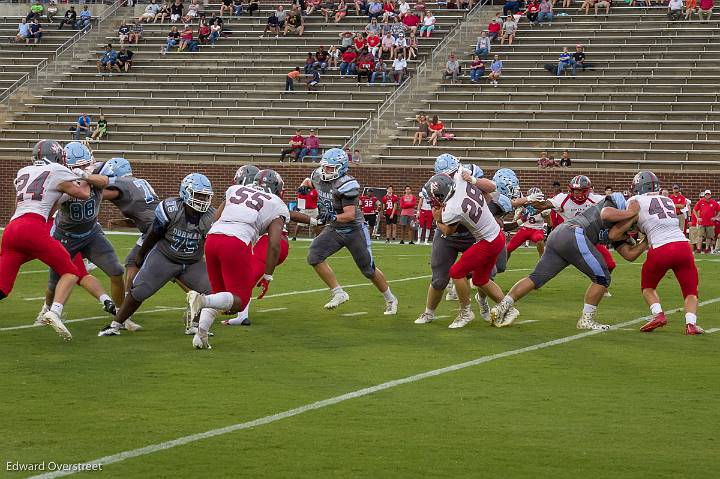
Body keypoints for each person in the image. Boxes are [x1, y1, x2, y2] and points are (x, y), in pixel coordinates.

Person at [98, 174, 215, 337]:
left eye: (205, 196)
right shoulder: (170, 208)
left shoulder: (211, 216)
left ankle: (195, 325)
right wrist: (141, 255)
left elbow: (211, 244)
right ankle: (115, 324)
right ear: (185, 192)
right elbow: (154, 233)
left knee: (211, 291)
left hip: (192, 262)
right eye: (198, 195)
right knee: (139, 291)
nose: (202, 200)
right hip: (165, 257)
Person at [0, 141, 92, 340]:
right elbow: (83, 194)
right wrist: (86, 175)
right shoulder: (57, 169)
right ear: (57, 156)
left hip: (11, 229)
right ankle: (54, 311)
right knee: (71, 272)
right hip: (33, 227)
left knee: (2, 287)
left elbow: (43, 197)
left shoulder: (23, 171)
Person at [186, 170, 289, 349]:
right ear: (278, 189)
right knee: (239, 301)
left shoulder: (236, 189)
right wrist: (268, 276)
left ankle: (200, 336)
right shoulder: (276, 203)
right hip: (235, 242)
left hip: (212, 239)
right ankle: (200, 301)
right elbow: (274, 244)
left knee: (219, 296)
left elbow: (216, 217)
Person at [38, 142, 125, 329]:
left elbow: (105, 181)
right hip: (65, 236)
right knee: (54, 283)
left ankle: (121, 313)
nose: (83, 168)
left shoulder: (96, 173)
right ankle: (46, 308)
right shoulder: (60, 179)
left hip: (92, 234)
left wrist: (85, 175)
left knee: (117, 270)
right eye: (78, 166)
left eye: (86, 164)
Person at [606, 172, 703, 335]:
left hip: (660, 247)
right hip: (683, 246)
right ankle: (691, 324)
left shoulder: (634, 201)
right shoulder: (668, 200)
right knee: (691, 290)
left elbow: (630, 220)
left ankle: (658, 314)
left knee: (648, 287)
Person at [307, 149, 398, 314]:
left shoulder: (347, 184)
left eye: (330, 168)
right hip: (335, 229)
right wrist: (304, 189)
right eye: (325, 167)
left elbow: (349, 215)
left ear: (341, 168)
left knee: (368, 270)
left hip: (354, 230)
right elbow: (309, 181)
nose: (326, 171)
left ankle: (390, 298)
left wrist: (332, 217)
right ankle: (338, 293)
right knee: (314, 255)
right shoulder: (317, 175)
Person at [420, 168, 508, 329]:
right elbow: (491, 187)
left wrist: (436, 218)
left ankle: (469, 311)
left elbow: (447, 230)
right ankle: (507, 308)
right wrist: (472, 180)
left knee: (461, 272)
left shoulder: (452, 209)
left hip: (480, 238)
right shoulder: (460, 177)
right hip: (492, 235)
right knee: (448, 279)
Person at [507, 187, 547, 259]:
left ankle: (542, 259)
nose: (533, 201)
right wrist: (515, 219)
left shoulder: (544, 207)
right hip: (525, 229)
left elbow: (550, 223)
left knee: (539, 238)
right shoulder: (524, 205)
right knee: (508, 248)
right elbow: (517, 218)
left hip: (537, 230)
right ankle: (502, 265)